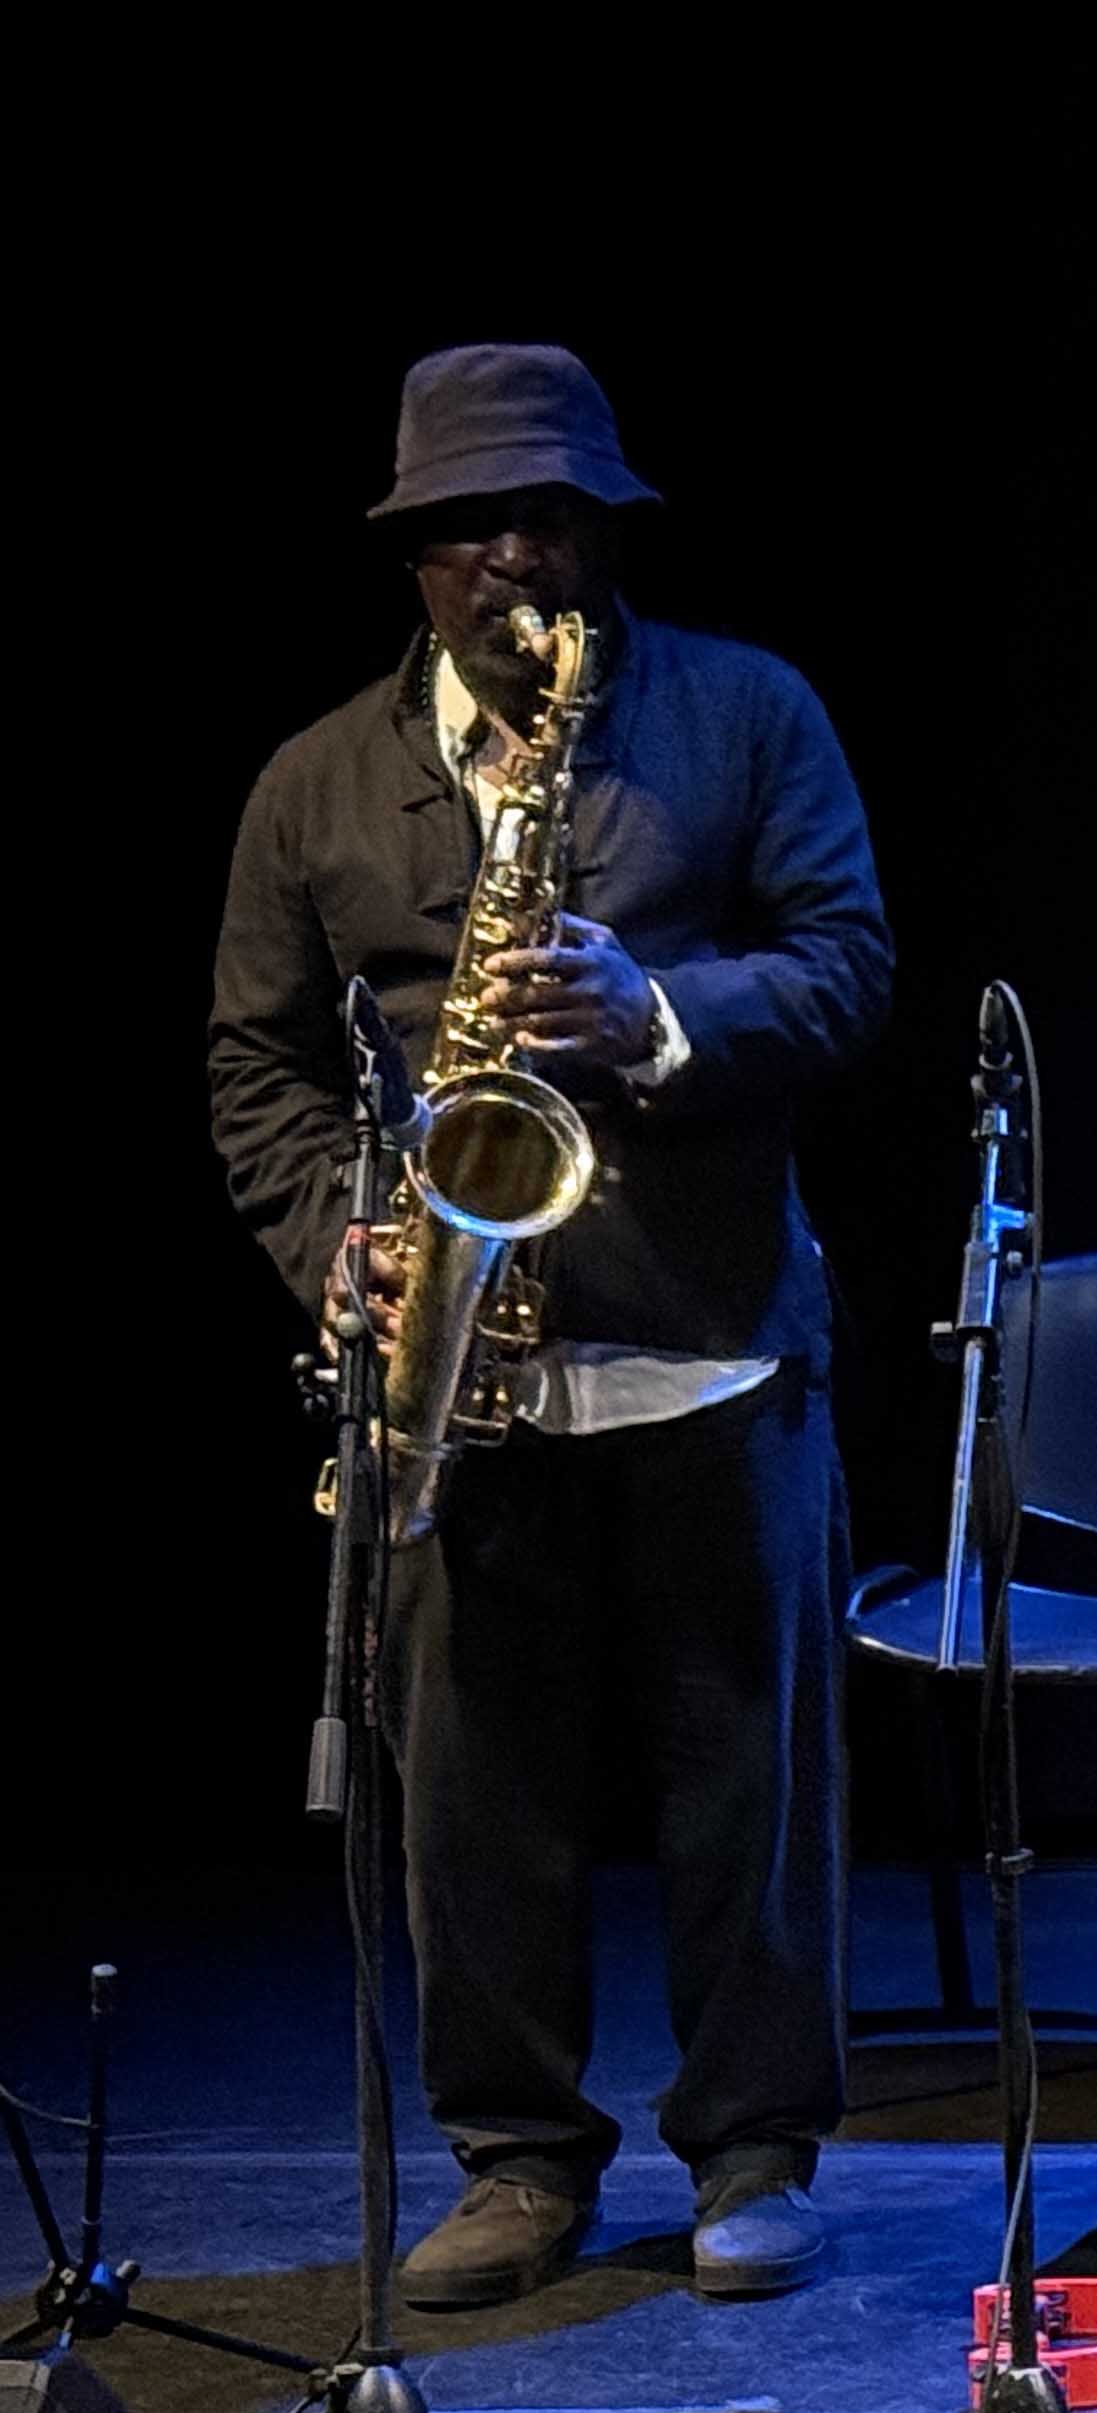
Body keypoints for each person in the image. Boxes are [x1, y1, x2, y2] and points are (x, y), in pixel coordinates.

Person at [209, 345, 893, 2307]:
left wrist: (666, 1021)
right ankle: (517, 2159)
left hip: (710, 1338)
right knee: (472, 1807)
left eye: (547, 516)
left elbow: (849, 967)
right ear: (413, 556)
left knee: (744, 1784)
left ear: (603, 531)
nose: (512, 555)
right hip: (453, 1371)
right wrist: (341, 1236)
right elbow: (253, 1059)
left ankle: (755, 2149)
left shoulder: (747, 716)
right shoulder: (318, 783)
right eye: (467, 526)